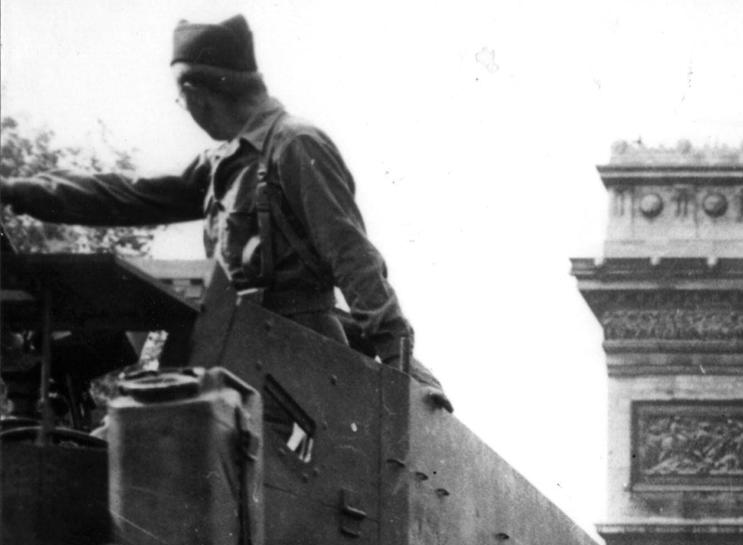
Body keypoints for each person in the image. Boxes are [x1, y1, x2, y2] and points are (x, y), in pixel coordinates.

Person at [0, 15, 447, 408]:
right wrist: (19, 191)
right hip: (230, 342)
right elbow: (129, 195)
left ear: (195, 90)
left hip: (295, 354)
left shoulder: (294, 144)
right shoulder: (224, 162)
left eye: (182, 99)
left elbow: (350, 255)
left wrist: (397, 361)